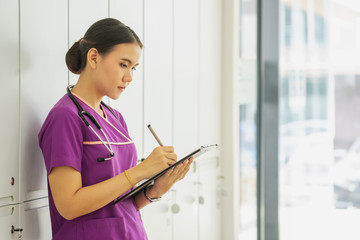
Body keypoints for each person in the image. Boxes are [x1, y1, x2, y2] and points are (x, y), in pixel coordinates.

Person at [38, 18, 193, 240]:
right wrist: (141, 171)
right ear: (93, 57)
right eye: (123, 64)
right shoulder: (65, 117)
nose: (129, 77)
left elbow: (117, 205)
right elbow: (69, 205)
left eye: (133, 68)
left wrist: (155, 190)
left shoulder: (115, 118)